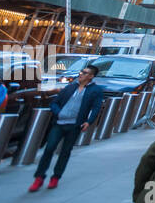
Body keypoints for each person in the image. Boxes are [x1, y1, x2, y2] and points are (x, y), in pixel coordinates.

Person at [30, 63, 103, 191]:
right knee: (49, 149)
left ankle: (55, 177)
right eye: (81, 72)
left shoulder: (95, 90)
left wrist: (89, 121)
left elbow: (96, 108)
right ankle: (39, 177)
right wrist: (58, 113)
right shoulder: (70, 87)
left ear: (91, 76)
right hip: (59, 123)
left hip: (74, 125)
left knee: (65, 152)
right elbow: (55, 103)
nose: (81, 74)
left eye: (85, 73)